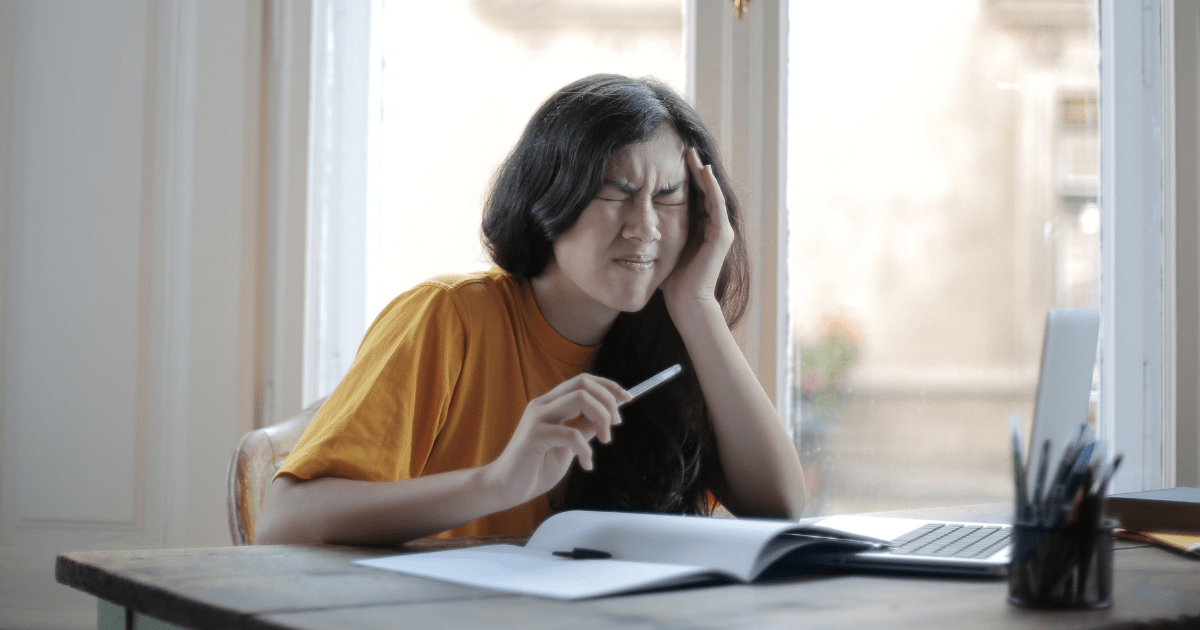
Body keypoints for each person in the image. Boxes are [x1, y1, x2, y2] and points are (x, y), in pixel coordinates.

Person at [255, 74, 806, 545]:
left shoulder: (671, 338)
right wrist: (496, 483)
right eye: (615, 192)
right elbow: (283, 523)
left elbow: (778, 506)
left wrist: (696, 303)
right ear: (551, 196)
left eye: (669, 197)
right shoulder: (448, 318)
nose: (645, 226)